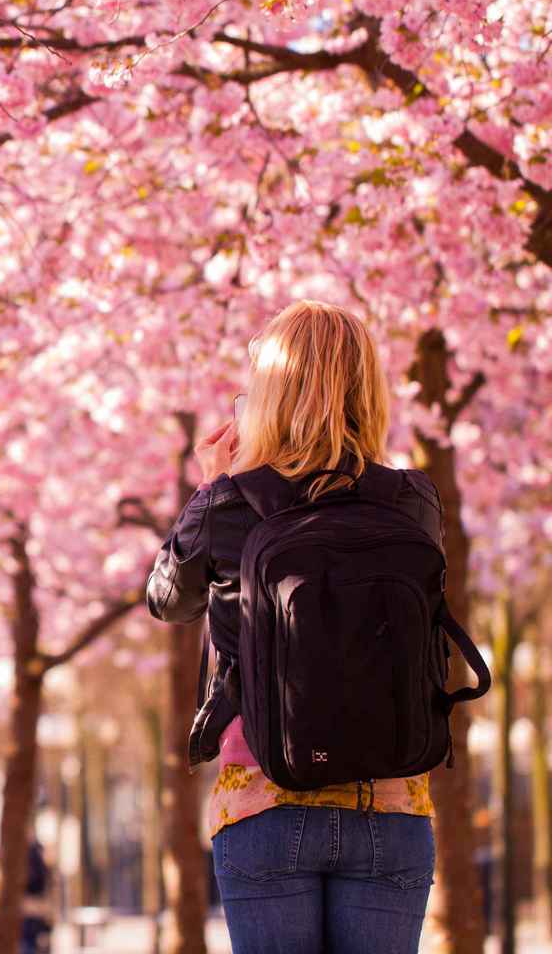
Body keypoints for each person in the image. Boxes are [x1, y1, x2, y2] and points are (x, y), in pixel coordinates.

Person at [146, 300, 442, 953]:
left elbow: (169, 602)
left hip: (264, 798)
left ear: (269, 395)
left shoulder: (230, 499)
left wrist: (210, 490)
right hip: (390, 804)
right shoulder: (412, 501)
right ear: (368, 387)